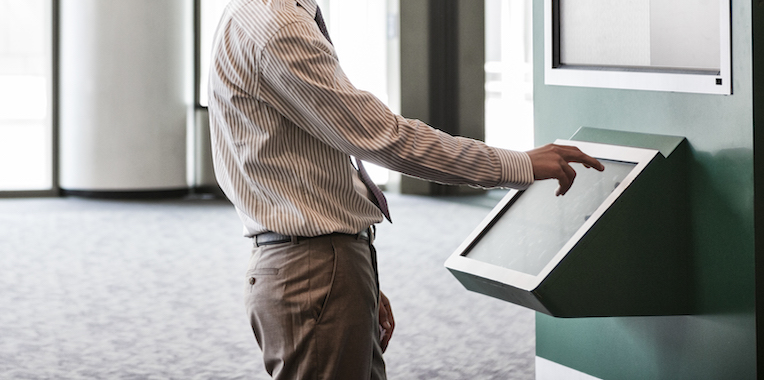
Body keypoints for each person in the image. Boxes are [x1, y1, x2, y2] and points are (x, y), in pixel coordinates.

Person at [207, 0, 604, 379]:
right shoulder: (280, 27)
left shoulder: (259, 16)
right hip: (312, 269)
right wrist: (519, 164)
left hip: (319, 267)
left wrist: (353, 280)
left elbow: (310, 163)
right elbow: (388, 139)